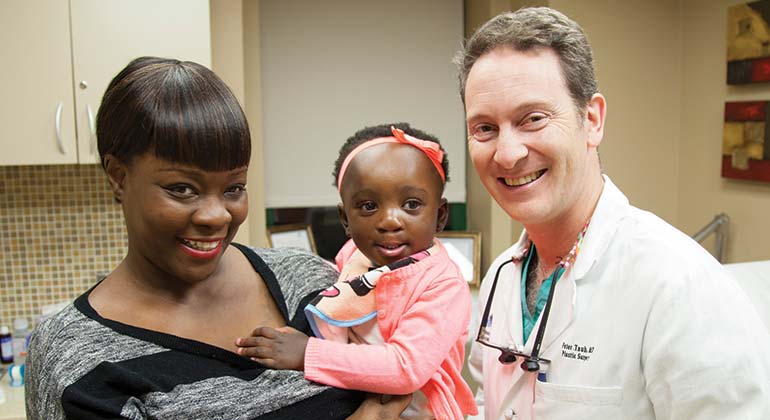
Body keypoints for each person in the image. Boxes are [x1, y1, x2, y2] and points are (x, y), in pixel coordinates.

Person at [24, 57, 410, 420]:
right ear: (118, 176)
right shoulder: (75, 353)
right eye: (181, 188)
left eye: (233, 188)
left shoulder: (313, 282)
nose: (216, 216)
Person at [454, 7, 770, 420]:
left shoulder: (678, 285)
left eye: (532, 119)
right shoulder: (502, 276)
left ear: (592, 119)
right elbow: (491, 404)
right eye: (484, 128)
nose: (508, 153)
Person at [236, 123, 477, 420]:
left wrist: (307, 353)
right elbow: (338, 296)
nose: (389, 220)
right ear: (345, 220)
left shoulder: (443, 284)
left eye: (411, 204)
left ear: (440, 216)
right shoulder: (354, 255)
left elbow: (406, 367)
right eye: (368, 206)